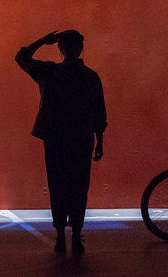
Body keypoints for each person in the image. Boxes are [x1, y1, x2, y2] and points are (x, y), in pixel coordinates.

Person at [16, 30, 106, 255]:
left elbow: (22, 57)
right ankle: (71, 236)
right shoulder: (87, 76)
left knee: (66, 187)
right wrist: (99, 141)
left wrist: (41, 42)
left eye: (71, 46)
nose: (70, 50)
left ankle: (67, 236)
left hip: (61, 138)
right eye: (68, 45)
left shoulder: (50, 72)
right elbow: (99, 113)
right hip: (74, 139)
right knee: (73, 187)